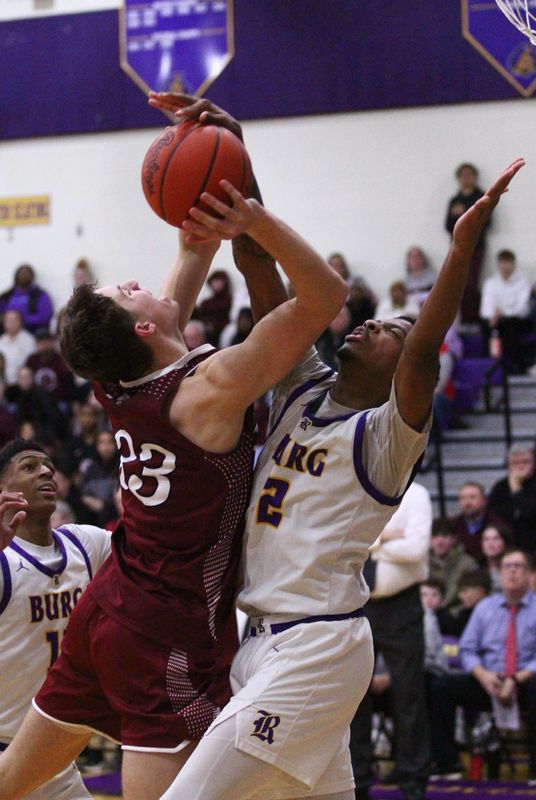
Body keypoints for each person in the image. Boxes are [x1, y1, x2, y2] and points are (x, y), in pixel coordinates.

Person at [156, 114, 524, 800]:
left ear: (397, 369)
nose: (371, 323)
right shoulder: (302, 385)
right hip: (259, 640)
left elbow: (422, 353)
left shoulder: (387, 437)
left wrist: (462, 246)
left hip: (315, 646)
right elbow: (259, 265)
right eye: (376, 319)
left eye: (387, 330)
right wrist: (230, 149)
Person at [0, 95, 347, 800]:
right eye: (127, 292)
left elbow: (194, 244)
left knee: (10, 780)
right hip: (164, 627)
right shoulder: (210, 386)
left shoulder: (123, 381)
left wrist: (221, 145)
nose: (139, 284)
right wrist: (257, 219)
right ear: (140, 328)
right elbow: (325, 296)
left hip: (107, 607)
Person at [0, 437, 111, 799]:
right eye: (29, 467)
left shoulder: (86, 544)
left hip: (52, 756)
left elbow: (151, 551)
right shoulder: (3, 561)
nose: (46, 470)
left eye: (48, 465)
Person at [351, 481, 433, 800]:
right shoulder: (357, 489)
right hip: (358, 604)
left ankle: (414, 781)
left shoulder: (417, 494)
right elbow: (345, 543)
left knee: (409, 696)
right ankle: (358, 780)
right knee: (355, 698)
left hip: (402, 606)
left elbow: (416, 549)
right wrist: (388, 538)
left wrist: (372, 540)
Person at [430, 549, 536, 784]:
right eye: (507, 566)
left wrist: (518, 678)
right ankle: (448, 763)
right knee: (440, 687)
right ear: (499, 573)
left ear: (530, 575)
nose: (512, 571)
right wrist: (483, 676)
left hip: (525, 682)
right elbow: (467, 648)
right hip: (488, 682)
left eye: (519, 566)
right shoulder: (485, 607)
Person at [445, 162, 488, 324]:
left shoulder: (482, 197)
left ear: (475, 177)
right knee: (457, 285)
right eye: (463, 175)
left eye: (469, 174)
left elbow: (486, 222)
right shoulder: (454, 200)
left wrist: (462, 213)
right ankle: (460, 323)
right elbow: (447, 226)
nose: (466, 178)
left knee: (471, 286)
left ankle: (472, 322)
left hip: (476, 247)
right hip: (457, 248)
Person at [480, 249, 533, 374]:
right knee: (487, 325)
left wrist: (502, 313)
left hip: (517, 321)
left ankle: (514, 366)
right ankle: (492, 366)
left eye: (508, 263)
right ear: (498, 265)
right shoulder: (490, 283)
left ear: (513, 264)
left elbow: (522, 309)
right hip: (496, 320)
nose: (505, 266)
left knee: (509, 324)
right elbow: (486, 308)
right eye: (502, 263)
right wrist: (494, 316)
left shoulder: (523, 283)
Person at [487, 444, 536, 554]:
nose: (521, 466)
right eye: (516, 463)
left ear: (533, 465)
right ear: (508, 466)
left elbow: (529, 513)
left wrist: (516, 488)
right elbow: (495, 516)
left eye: (525, 462)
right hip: (507, 545)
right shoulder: (500, 487)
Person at [448, 480, 510, 559]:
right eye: (463, 498)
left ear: (484, 501)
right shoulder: (452, 525)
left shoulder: (498, 523)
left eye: (472, 497)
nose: (467, 503)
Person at [428, 517, 478, 610]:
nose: (440, 540)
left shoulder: (467, 564)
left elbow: (472, 597)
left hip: (457, 615)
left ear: (454, 539)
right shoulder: (422, 563)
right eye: (435, 536)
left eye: (445, 535)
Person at [0, 265, 54, 335]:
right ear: (16, 276)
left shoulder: (41, 295)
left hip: (32, 329)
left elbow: (45, 317)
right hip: (8, 329)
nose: (24, 276)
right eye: (22, 274)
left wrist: (22, 320)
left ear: (32, 276)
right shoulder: (6, 295)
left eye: (26, 274)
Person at [0, 310, 36, 388]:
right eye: (8, 320)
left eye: (14, 320)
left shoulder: (28, 339)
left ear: (20, 322)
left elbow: (30, 362)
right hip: (3, 383)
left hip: (21, 384)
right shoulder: (1, 340)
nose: (11, 323)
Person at [479, 524, 513, 592]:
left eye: (496, 538)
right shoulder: (476, 569)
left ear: (505, 542)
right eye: (486, 539)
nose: (490, 543)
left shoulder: (514, 568)